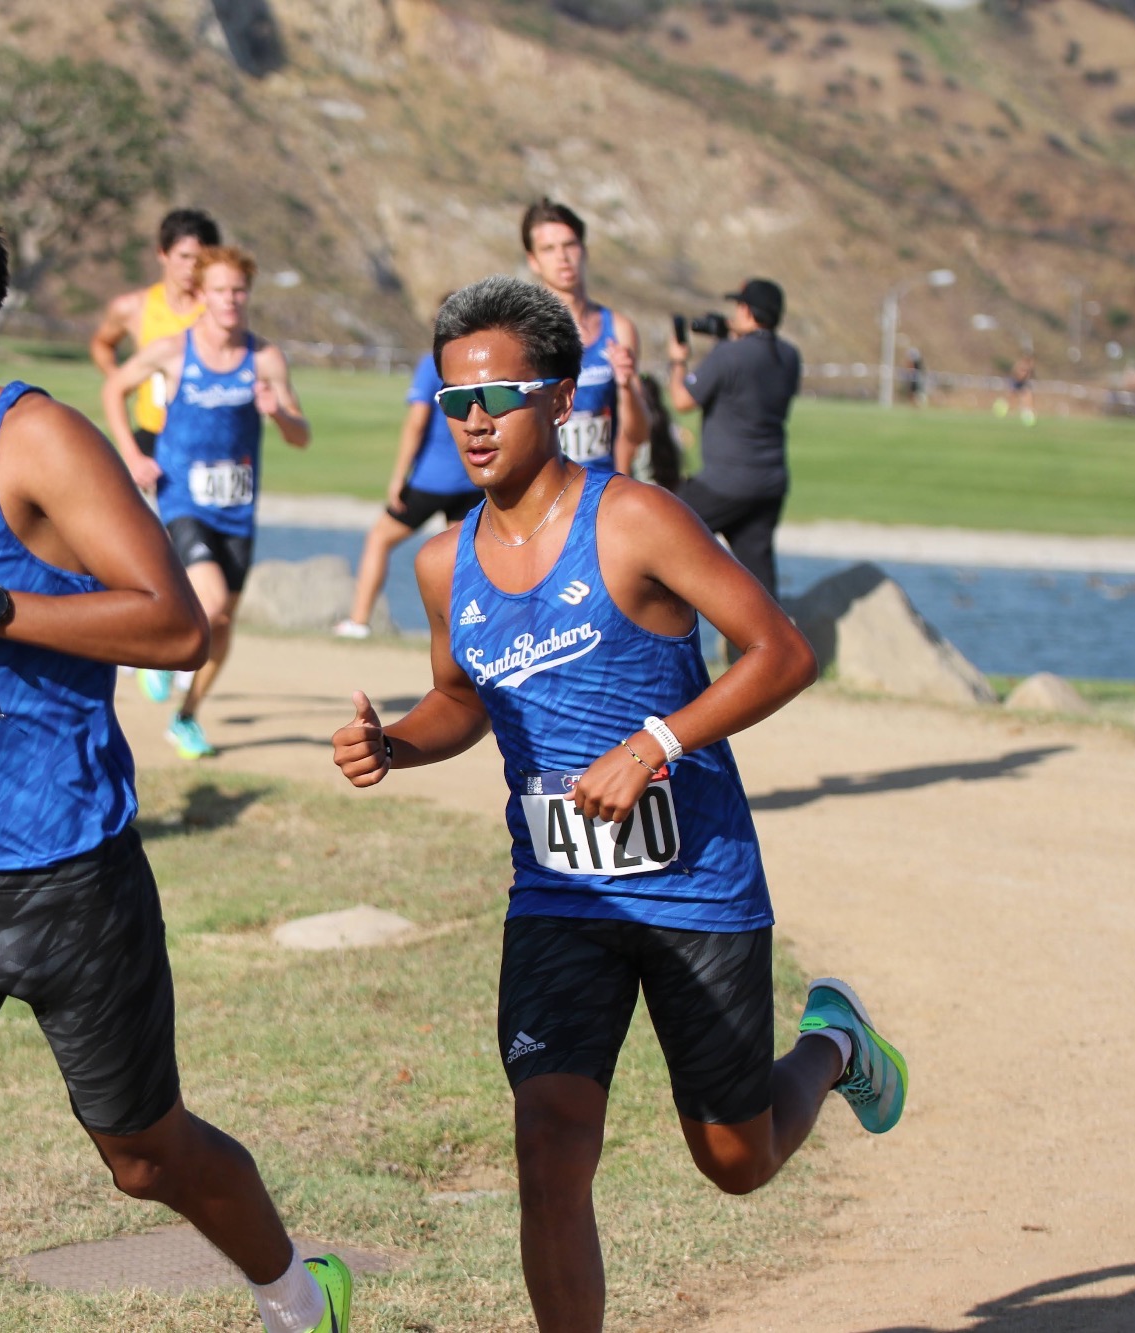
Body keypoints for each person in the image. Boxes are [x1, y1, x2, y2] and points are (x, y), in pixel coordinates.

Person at [0, 174, 352, 1333]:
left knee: (144, 1157)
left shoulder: (35, 439)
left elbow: (171, 620)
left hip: (65, 873)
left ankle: (299, 1294)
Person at [331, 275, 907, 1332]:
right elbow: (460, 701)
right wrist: (393, 744)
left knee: (732, 1159)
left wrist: (654, 742)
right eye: (454, 398)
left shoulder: (635, 518)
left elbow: (780, 652)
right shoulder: (437, 562)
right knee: (547, 1147)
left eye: (497, 395)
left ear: (558, 398)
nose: (471, 421)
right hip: (557, 897)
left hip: (694, 887)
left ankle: (833, 1045)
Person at [101, 245, 310, 758]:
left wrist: (278, 415)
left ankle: (187, 715)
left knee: (223, 623)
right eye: (220, 290)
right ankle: (158, 652)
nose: (230, 300)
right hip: (182, 501)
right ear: (203, 295)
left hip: (238, 509)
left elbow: (301, 435)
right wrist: (132, 454)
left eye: (238, 290)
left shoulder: (265, 358)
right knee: (210, 603)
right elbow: (115, 389)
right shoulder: (174, 351)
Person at [334, 306, 482, 639]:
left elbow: (416, 423)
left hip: (431, 480)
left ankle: (359, 621)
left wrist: (398, 477)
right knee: (459, 558)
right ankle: (462, 629)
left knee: (379, 538)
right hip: (470, 480)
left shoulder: (434, 363)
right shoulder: (479, 363)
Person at [666, 278, 802, 600]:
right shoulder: (790, 356)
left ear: (745, 310)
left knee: (664, 528)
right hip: (769, 482)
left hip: (723, 483)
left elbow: (683, 401)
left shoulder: (729, 356)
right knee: (759, 581)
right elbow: (754, 364)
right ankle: (772, 644)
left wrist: (678, 360)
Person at [520, 199, 645, 475]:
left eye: (569, 245)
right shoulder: (525, 334)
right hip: (546, 491)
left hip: (603, 487)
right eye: (549, 249)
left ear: (584, 250)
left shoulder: (619, 329)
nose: (562, 257)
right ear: (533, 260)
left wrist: (626, 387)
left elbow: (638, 434)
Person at [89, 207, 222, 459]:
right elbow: (102, 343)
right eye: (184, 256)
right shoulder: (134, 307)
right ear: (162, 253)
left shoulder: (218, 310)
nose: (192, 267)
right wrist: (117, 376)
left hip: (206, 437)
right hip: (153, 436)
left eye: (202, 259)